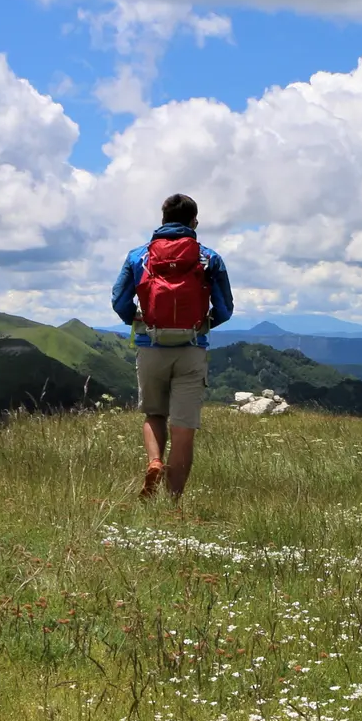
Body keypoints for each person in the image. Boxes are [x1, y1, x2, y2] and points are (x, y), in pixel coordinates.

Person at [111, 194, 235, 501]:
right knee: (184, 430)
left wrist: (136, 319)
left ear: (163, 219)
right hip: (191, 348)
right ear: (194, 222)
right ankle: (173, 503)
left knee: (155, 414)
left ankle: (155, 461)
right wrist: (201, 325)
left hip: (150, 345)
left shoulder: (138, 256)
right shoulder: (209, 258)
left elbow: (119, 300)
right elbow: (225, 308)